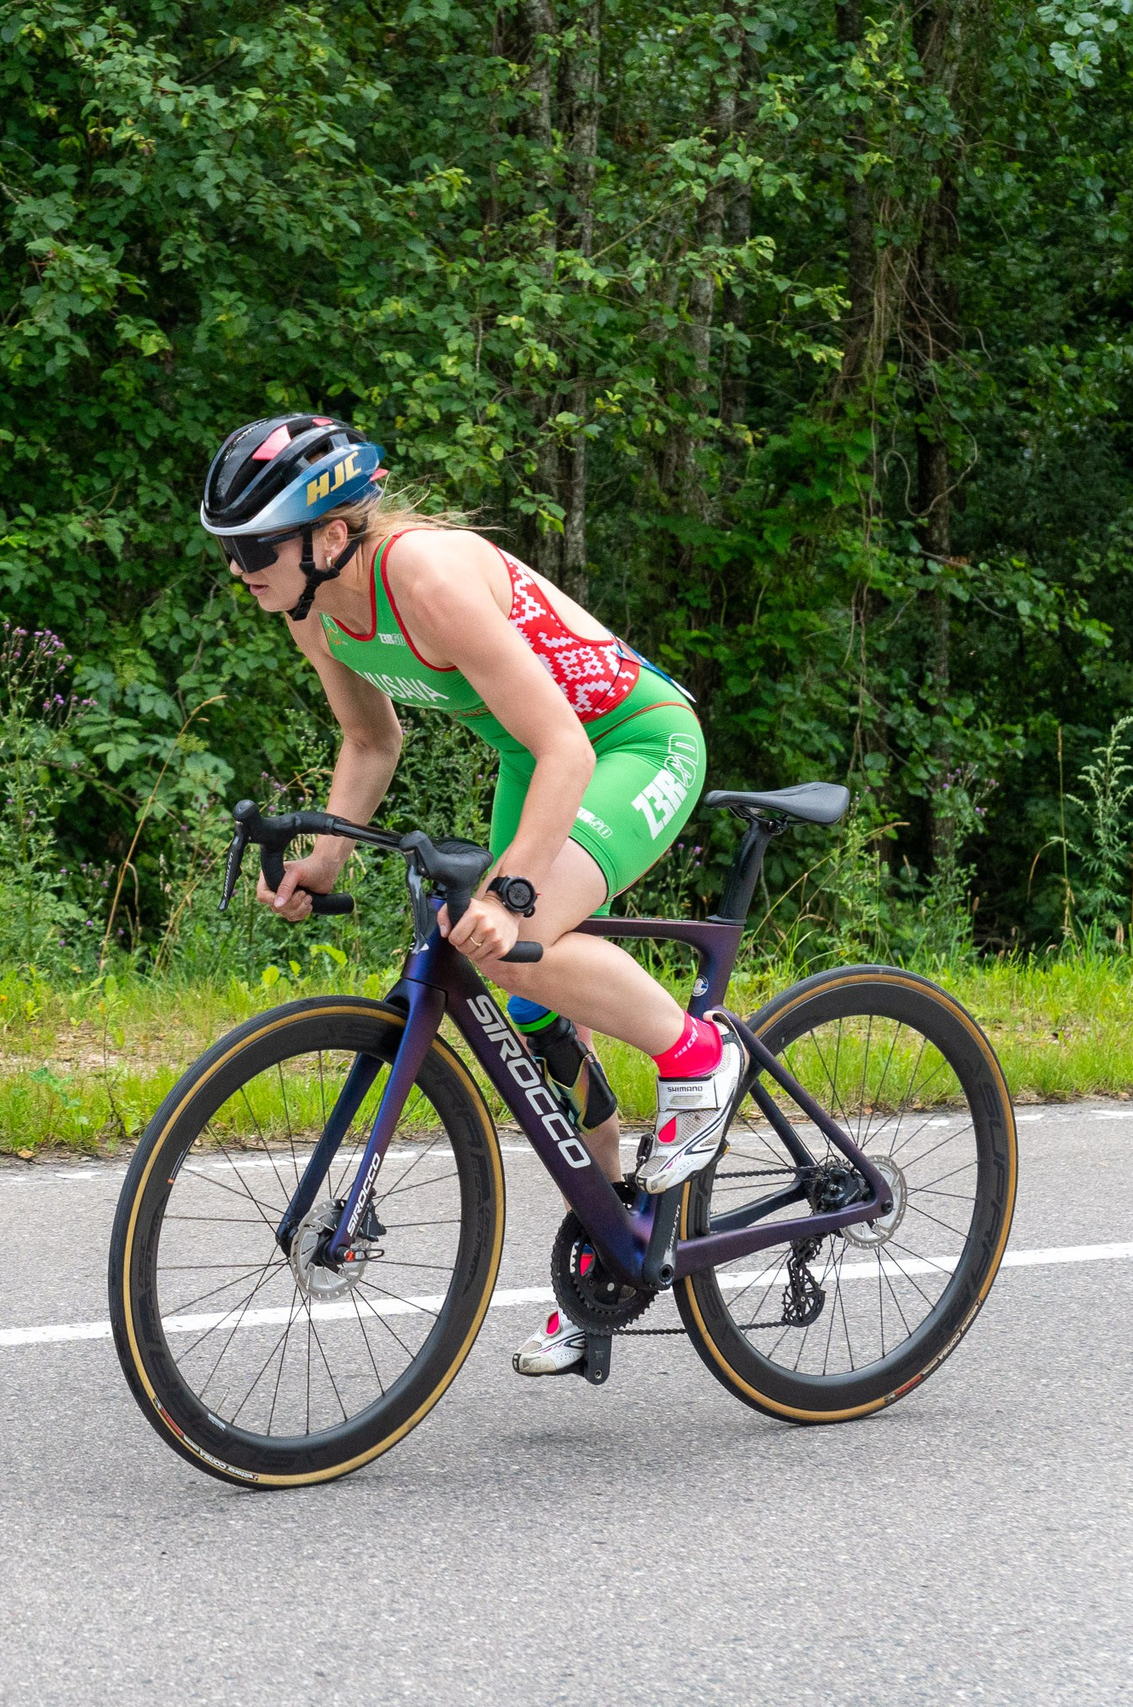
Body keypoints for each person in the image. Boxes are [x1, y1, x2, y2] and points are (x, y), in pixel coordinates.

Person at [199, 412, 743, 1378]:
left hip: (630, 741)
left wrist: (516, 890)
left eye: (254, 548)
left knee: (509, 935)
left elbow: (569, 744)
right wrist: (326, 858)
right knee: (536, 1023)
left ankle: (699, 1054)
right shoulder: (310, 607)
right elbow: (371, 739)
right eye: (229, 550)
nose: (239, 570)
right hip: (533, 757)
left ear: (330, 536)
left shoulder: (426, 576)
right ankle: (610, 1250)